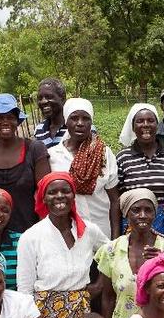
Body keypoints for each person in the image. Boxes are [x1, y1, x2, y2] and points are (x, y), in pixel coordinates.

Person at [17, 172, 109, 318]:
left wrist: (100, 284)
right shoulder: (31, 236)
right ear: (43, 198)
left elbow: (112, 253)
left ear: (73, 195)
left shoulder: (89, 230)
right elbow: (25, 290)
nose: (59, 196)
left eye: (65, 191)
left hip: (80, 309)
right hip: (45, 313)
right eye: (52, 192)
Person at [96, 188, 164, 318]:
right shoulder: (111, 250)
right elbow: (108, 299)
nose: (142, 215)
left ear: (154, 213)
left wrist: (163, 262)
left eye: (148, 210)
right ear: (126, 214)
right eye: (136, 210)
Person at [0, 93, 50, 234]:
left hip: (31, 231)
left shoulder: (35, 149)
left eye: (10, 117)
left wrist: (43, 232)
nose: (5, 122)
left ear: (17, 121)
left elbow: (44, 193)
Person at [48, 98, 119, 238]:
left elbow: (114, 200)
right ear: (66, 121)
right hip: (67, 233)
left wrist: (115, 238)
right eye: (74, 118)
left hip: (102, 231)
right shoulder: (53, 156)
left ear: (91, 122)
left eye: (85, 118)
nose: (80, 123)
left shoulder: (103, 153)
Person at [115, 102, 164, 240]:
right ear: (133, 127)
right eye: (140, 121)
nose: (145, 125)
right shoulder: (122, 158)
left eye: (150, 120)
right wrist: (117, 237)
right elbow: (117, 201)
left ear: (157, 125)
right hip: (132, 229)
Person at [34, 78, 69, 149]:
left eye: (49, 97)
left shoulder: (79, 127)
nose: (43, 101)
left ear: (62, 98)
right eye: (40, 98)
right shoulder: (39, 130)